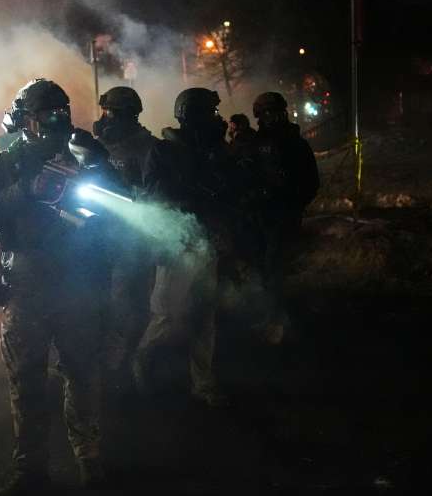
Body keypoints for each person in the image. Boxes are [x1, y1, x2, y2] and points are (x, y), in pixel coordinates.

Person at [0, 78, 114, 496]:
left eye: (62, 112)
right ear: (25, 120)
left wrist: (91, 172)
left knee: (82, 373)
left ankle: (89, 456)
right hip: (25, 287)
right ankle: (31, 468)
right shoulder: (3, 164)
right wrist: (25, 191)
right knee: (27, 382)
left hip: (76, 283)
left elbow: (118, 202)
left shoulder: (83, 152)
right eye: (46, 114)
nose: (57, 121)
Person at [135, 87, 231, 406]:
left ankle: (203, 382)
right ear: (193, 116)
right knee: (166, 316)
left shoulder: (215, 151)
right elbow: (157, 197)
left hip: (207, 243)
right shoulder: (165, 152)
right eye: (210, 113)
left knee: (204, 315)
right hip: (177, 245)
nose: (217, 120)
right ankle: (142, 365)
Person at [91, 86, 159, 389]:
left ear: (129, 115)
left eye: (112, 112)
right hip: (102, 239)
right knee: (107, 305)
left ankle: (128, 364)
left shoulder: (147, 148)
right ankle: (110, 364)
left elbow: (154, 195)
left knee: (135, 305)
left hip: (135, 241)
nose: (105, 118)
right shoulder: (100, 145)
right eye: (105, 110)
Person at [240, 91, 320, 344]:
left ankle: (279, 321)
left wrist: (292, 204)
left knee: (275, 268)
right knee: (262, 267)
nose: (272, 117)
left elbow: (310, 182)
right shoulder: (254, 142)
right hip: (259, 214)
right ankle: (269, 315)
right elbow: (245, 174)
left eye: (275, 112)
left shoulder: (295, 143)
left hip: (282, 214)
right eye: (266, 113)